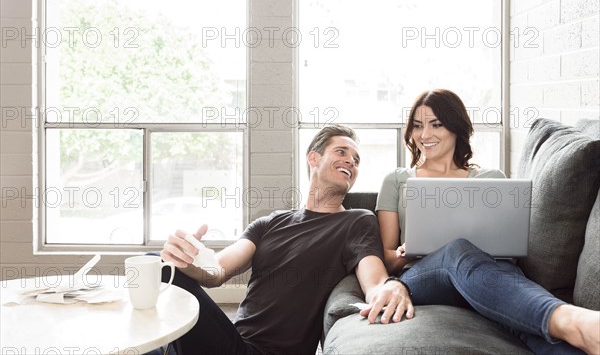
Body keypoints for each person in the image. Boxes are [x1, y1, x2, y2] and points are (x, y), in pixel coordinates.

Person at [376, 89, 600, 354]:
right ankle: (571, 318)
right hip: (423, 277)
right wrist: (412, 250)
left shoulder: (491, 178)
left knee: (520, 317)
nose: (425, 135)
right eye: (417, 125)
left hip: (485, 275)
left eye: (436, 124)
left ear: (456, 127)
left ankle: (585, 333)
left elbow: (510, 252)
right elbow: (388, 258)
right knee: (457, 249)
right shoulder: (397, 180)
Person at [159, 125, 414, 355]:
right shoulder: (270, 222)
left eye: (356, 160)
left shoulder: (357, 221)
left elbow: (374, 280)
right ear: (314, 158)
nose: (351, 161)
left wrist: (392, 286)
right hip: (233, 341)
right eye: (341, 152)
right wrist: (188, 259)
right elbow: (217, 271)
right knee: (162, 266)